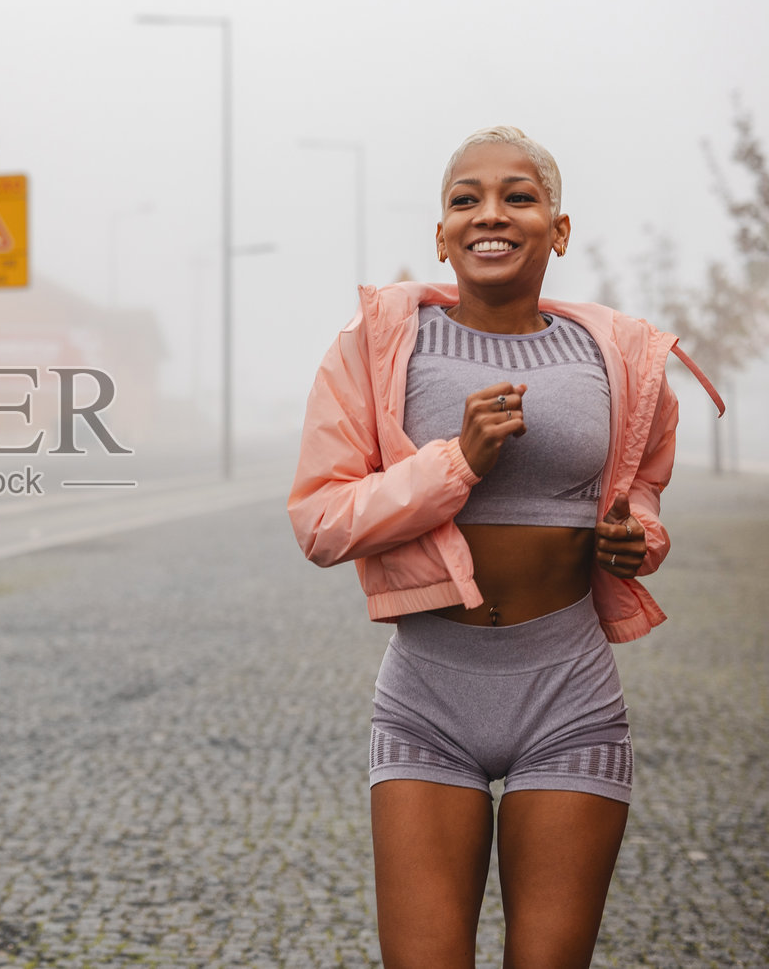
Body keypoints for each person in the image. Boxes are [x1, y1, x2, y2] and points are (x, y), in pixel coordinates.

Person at [288, 126, 724, 968]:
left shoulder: (618, 358)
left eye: (518, 196)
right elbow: (321, 520)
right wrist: (457, 462)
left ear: (558, 229)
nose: (491, 213)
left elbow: (640, 492)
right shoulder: (378, 348)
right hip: (428, 695)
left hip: (570, 694)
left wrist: (637, 537)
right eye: (466, 199)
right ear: (441, 234)